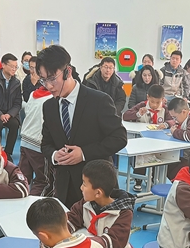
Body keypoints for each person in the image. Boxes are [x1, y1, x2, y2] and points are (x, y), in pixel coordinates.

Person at [37, 45, 127, 208]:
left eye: (52, 78)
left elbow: (119, 138)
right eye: (43, 80)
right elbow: (46, 144)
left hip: (97, 188)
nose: (48, 86)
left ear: (68, 71)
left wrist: (84, 153)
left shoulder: (99, 100)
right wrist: (55, 155)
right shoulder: (49, 107)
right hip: (65, 190)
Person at [122, 84, 174, 192]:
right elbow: (126, 115)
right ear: (148, 97)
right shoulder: (142, 105)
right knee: (141, 160)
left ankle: (154, 180)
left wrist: (166, 124)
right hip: (142, 141)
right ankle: (138, 181)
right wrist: (138, 114)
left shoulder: (164, 109)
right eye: (152, 101)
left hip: (158, 141)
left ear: (162, 99)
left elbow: (172, 120)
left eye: (158, 102)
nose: (154, 105)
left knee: (156, 160)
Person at [20, 85, 53, 196]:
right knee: (43, 181)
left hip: (25, 140)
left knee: (23, 179)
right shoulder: (53, 98)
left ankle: (20, 202)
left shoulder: (33, 94)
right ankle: (33, 205)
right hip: (38, 143)